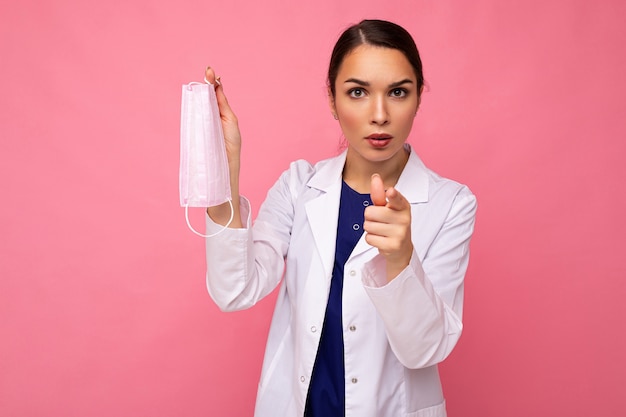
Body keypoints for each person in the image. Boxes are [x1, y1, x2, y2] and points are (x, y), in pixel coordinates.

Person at [203, 19, 477, 417]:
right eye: (357, 92)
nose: (379, 114)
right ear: (332, 100)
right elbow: (234, 290)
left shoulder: (451, 203)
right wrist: (221, 173)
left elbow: (426, 350)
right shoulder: (300, 186)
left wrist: (401, 260)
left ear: (419, 97)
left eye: (398, 92)